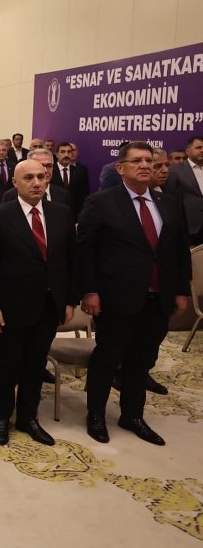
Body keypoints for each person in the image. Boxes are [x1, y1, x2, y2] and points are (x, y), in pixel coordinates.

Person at [79, 141, 190, 447]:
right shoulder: (101, 202)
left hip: (157, 298)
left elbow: (179, 251)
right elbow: (85, 251)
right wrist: (89, 290)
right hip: (116, 297)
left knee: (141, 360)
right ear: (121, 168)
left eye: (149, 161)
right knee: (107, 358)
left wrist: (181, 290)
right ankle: (96, 414)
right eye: (137, 161)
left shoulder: (168, 202)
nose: (145, 166)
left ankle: (132, 415)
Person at [0, 159, 78, 446]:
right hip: (12, 305)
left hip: (49, 304)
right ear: (15, 183)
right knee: (8, 363)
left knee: (36, 364)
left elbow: (71, 260)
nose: (36, 183)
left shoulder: (61, 214)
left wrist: (69, 300)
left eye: (41, 177)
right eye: (28, 178)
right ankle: (1, 417)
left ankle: (28, 417)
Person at [164, 135, 203, 246]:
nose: (202, 150)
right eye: (198, 147)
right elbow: (169, 198)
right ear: (188, 151)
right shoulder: (174, 170)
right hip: (190, 226)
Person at [52, 142, 90, 218]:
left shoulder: (79, 172)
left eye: (69, 152)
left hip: (73, 215)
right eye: (63, 152)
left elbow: (84, 195)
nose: (66, 155)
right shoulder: (51, 170)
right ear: (57, 154)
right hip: (54, 212)